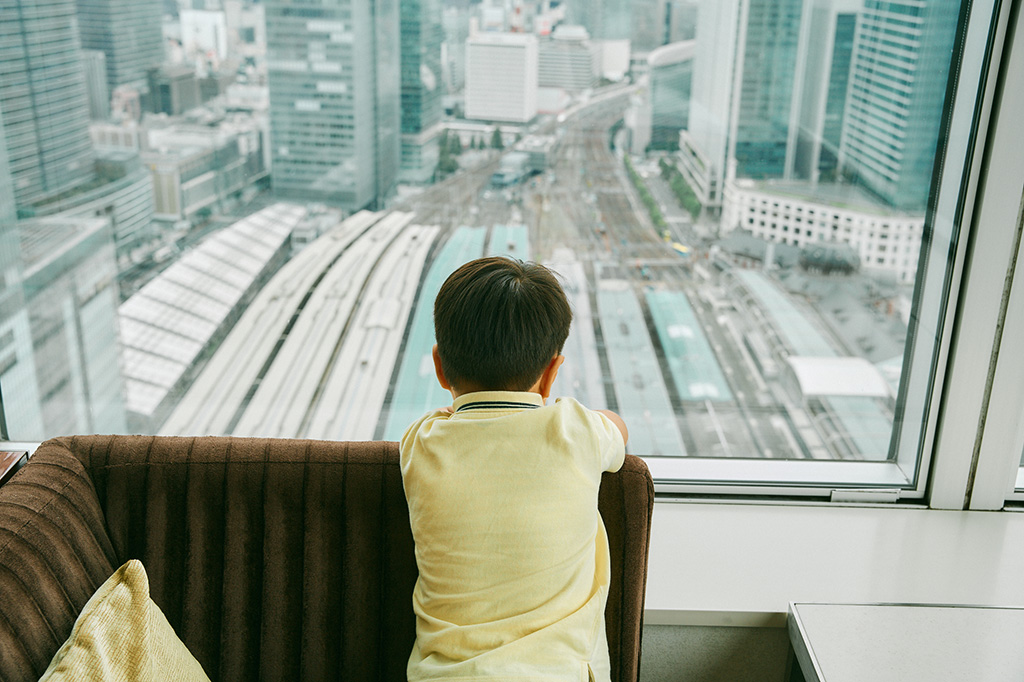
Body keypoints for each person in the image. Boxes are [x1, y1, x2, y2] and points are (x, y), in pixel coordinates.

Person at [400, 256, 629, 681]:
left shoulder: (421, 443)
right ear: (551, 373)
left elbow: (451, 418)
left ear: (438, 366)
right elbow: (618, 427)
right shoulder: (578, 430)